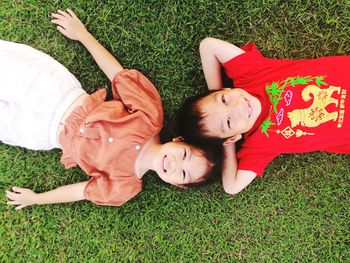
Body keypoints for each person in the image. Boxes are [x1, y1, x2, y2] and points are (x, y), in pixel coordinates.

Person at [4, 10, 218, 210]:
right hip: (57, 95)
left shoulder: (124, 187)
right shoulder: (150, 116)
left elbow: (81, 191)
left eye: (182, 173)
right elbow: (117, 74)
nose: (174, 163)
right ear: (179, 140)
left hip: (39, 132)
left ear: (177, 185)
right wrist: (83, 35)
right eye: (183, 154)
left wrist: (37, 199)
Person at [176, 37, 349, 195]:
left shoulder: (252, 75)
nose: (238, 107)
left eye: (224, 100)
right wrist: (229, 142)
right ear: (232, 137)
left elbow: (208, 45)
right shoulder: (257, 146)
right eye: (228, 122)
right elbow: (232, 186)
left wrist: (215, 91)